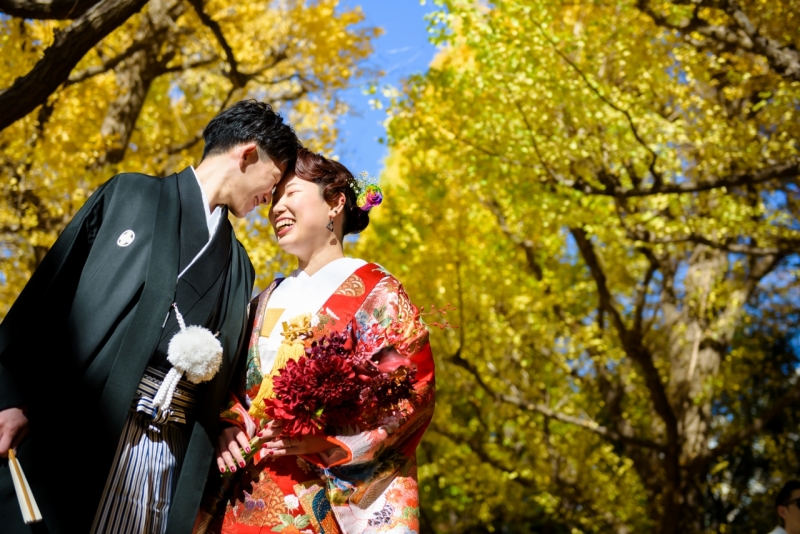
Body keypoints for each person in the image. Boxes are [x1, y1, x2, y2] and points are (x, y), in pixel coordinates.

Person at [0, 100, 300, 534]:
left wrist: (226, 425)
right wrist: (9, 393)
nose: (268, 199)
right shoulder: (129, 196)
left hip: (166, 456)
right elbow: (48, 296)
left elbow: (228, 376)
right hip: (80, 426)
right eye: (272, 182)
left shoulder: (239, 265)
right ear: (247, 154)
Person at [193, 148, 436, 533]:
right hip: (246, 489)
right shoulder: (264, 299)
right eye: (273, 200)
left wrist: (325, 438)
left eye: (290, 194)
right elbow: (234, 386)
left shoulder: (378, 292)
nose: (276, 209)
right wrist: (227, 425)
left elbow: (411, 390)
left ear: (336, 203)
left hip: (320, 493)